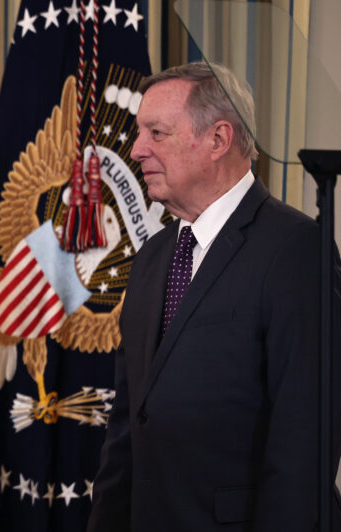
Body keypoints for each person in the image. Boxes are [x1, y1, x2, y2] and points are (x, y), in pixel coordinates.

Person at [87, 61, 341, 531]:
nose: (136, 149)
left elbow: (303, 446)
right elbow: (126, 430)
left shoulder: (295, 249)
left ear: (218, 140)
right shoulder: (149, 259)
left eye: (156, 133)